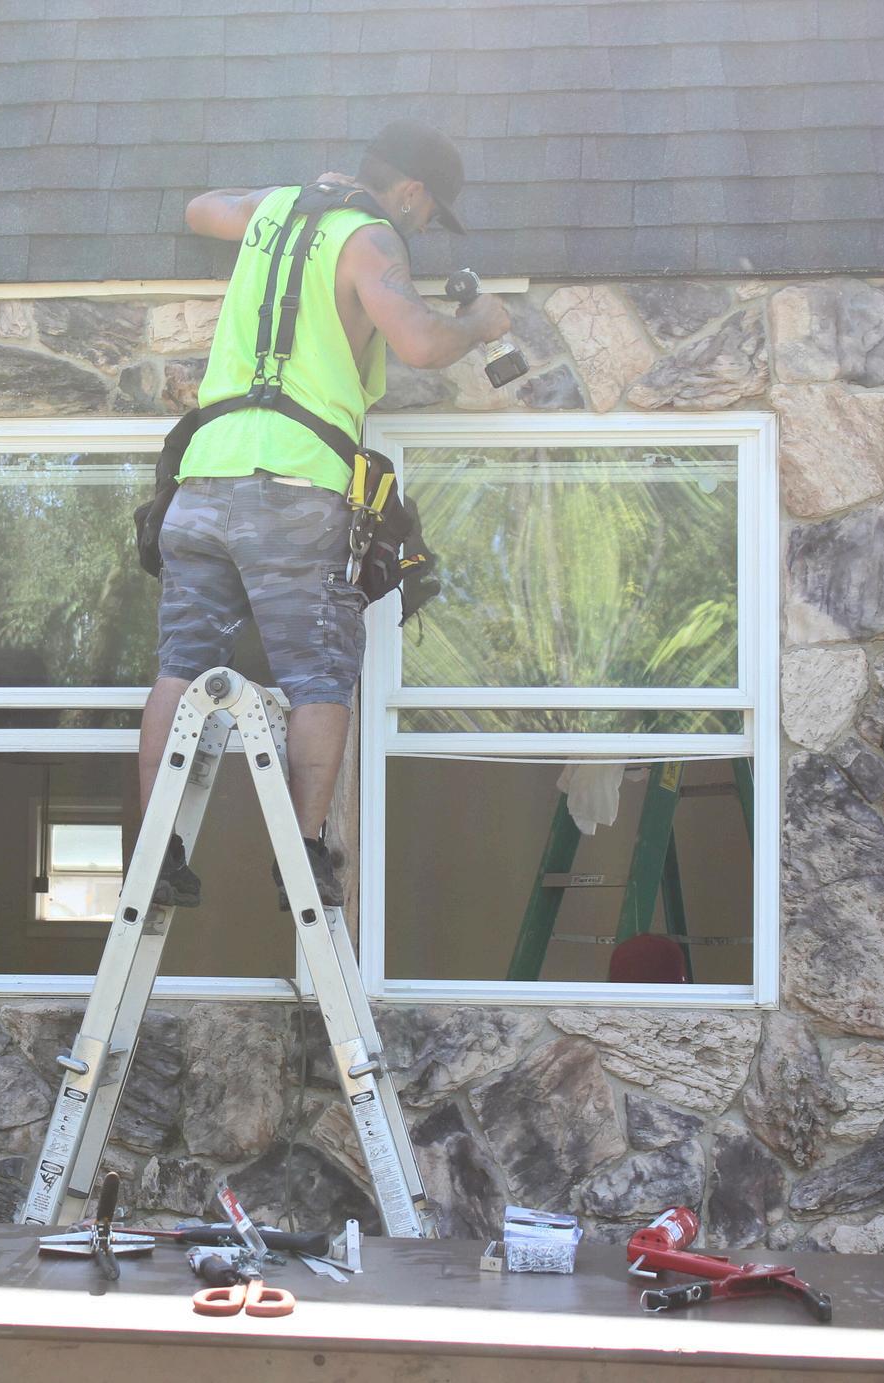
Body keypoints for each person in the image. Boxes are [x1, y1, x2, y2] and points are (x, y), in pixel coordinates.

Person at [142, 120, 514, 906]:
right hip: (296, 486)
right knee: (319, 674)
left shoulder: (279, 207)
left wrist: (293, 191)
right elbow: (418, 343)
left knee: (180, 667)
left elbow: (202, 209)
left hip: (201, 482)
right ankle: (302, 858)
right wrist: (481, 325)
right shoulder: (372, 239)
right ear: (410, 191)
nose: (423, 228)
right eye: (428, 212)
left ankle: (157, 857)